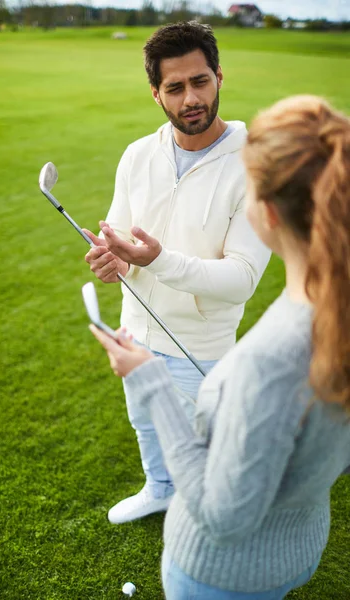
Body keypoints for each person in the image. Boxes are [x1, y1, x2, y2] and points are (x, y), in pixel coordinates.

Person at [90, 95, 350, 599]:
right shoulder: (330, 310)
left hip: (222, 575)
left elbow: (221, 516)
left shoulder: (271, 361)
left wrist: (150, 382)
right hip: (294, 550)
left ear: (267, 213)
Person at [84, 21, 270, 524]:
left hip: (201, 344)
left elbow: (242, 278)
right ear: (156, 94)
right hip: (136, 328)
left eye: (200, 81)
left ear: (218, 77)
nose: (191, 98)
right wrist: (115, 258)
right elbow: (121, 236)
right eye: (175, 87)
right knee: (145, 420)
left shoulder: (256, 166)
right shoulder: (137, 155)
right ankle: (159, 488)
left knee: (208, 453)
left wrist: (156, 260)